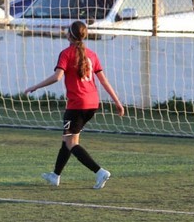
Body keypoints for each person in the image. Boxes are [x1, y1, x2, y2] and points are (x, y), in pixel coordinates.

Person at [24, 20, 124, 189]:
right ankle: (55, 175)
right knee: (68, 139)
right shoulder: (92, 54)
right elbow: (103, 80)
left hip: (77, 104)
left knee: (71, 143)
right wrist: (117, 102)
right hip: (92, 103)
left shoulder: (66, 53)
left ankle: (99, 172)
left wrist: (35, 86)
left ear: (70, 35)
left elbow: (57, 77)